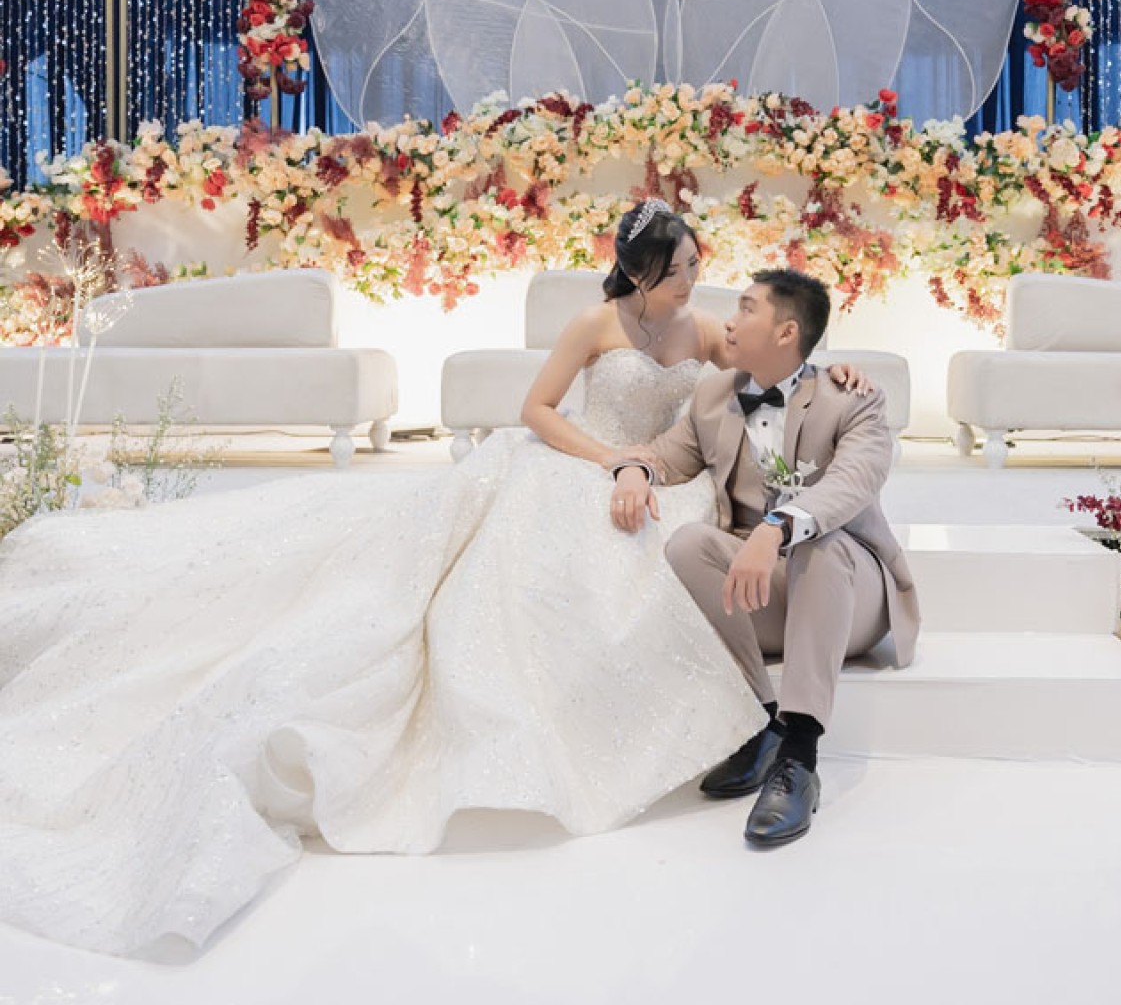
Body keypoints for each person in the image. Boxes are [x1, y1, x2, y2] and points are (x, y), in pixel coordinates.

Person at [0, 203, 863, 956]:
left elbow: (780, 364)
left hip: (662, 480)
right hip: (588, 461)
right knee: (541, 544)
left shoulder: (702, 328)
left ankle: (742, 723)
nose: (697, 282)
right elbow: (537, 409)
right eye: (681, 271)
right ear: (642, 275)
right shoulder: (594, 324)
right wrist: (610, 459)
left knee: (653, 550)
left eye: (700, 269)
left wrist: (840, 373)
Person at [610, 267, 919, 849]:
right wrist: (633, 471)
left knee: (823, 545)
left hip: (850, 592)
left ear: (787, 331)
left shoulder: (853, 398)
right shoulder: (713, 397)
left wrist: (776, 528)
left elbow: (852, 482)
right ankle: (759, 722)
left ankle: (799, 757)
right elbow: (664, 456)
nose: (729, 322)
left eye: (747, 309)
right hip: (766, 593)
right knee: (689, 543)